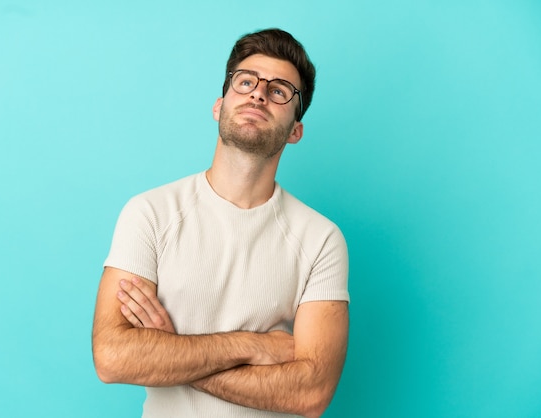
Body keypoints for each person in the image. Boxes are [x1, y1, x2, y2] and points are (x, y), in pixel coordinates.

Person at [92, 28, 350, 418]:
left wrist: (172, 351)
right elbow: (112, 357)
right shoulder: (150, 212)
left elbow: (310, 393)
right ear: (219, 105)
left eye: (280, 90)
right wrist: (252, 345)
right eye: (246, 81)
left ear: (295, 130)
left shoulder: (321, 239)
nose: (258, 93)